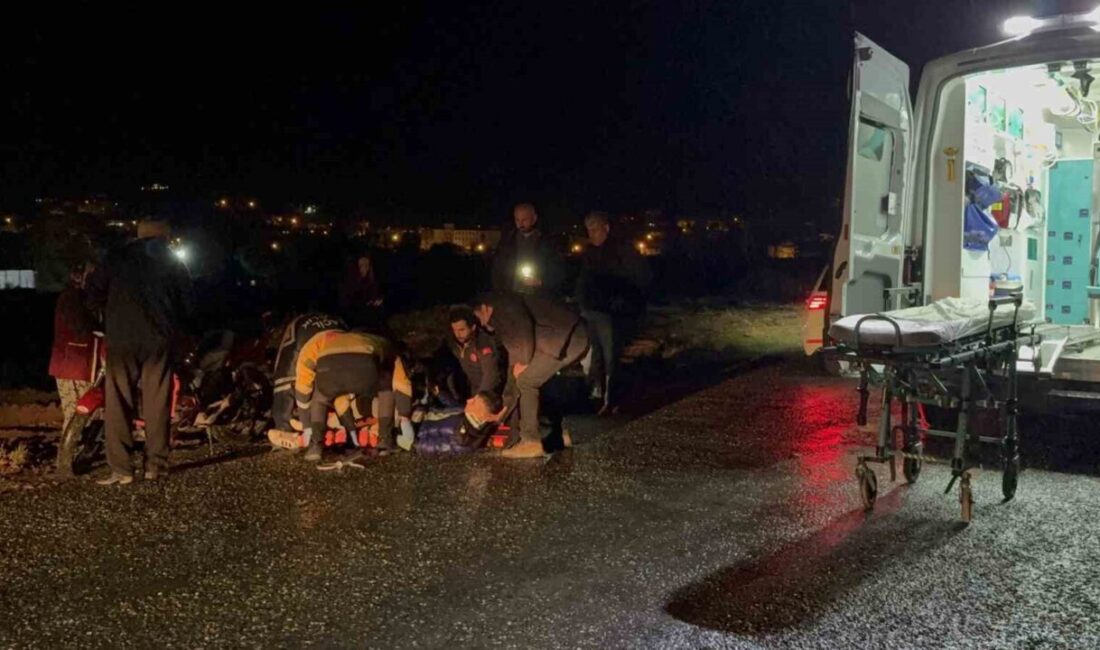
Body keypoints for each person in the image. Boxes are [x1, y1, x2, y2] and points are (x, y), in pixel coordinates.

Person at [86, 220, 193, 485]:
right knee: (158, 401)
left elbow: (93, 292)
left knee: (118, 400)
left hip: (121, 340)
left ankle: (121, 469)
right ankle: (155, 465)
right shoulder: (172, 261)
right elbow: (187, 303)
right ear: (165, 237)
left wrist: (106, 320)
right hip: (159, 340)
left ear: (139, 235)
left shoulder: (116, 257)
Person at [472, 292, 588, 459]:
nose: (481, 323)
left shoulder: (504, 306)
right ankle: (558, 436)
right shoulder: (500, 318)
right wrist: (503, 412)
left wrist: (525, 361)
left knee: (527, 382)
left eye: (478, 317)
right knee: (527, 380)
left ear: (484, 308)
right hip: (563, 339)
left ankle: (531, 442)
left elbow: (524, 329)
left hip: (568, 338)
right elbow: (513, 367)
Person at [275, 330, 413, 462]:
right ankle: (385, 441)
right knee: (386, 388)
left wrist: (307, 425)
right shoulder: (380, 343)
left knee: (320, 397)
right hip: (366, 371)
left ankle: (315, 445)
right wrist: (405, 418)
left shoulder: (314, 344)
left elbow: (303, 387)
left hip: (330, 372)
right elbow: (401, 382)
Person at [575, 211, 651, 415]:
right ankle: (598, 396)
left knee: (611, 357)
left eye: (595, 228)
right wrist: (581, 302)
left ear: (606, 228)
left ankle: (612, 399)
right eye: (589, 229)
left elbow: (640, 278)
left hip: (613, 313)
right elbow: (583, 280)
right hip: (593, 311)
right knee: (597, 356)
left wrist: (623, 302)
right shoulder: (590, 252)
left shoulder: (622, 250)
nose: (592, 233)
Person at [271, 312, 347, 432]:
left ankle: (294, 427)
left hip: (315, 354)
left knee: (292, 385)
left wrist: (283, 423)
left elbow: (284, 378)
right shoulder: (336, 318)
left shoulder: (295, 327)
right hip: (347, 356)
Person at [49, 262, 97, 435]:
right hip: (72, 364)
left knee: (82, 414)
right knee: (76, 414)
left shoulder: (75, 297)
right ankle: (70, 450)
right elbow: (80, 328)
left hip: (75, 363)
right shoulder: (73, 298)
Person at [490, 202, 563, 296]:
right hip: (511, 294)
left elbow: (558, 270)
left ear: (534, 219)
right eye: (517, 220)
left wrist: (541, 281)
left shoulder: (547, 242)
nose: (520, 224)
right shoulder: (507, 242)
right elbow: (497, 268)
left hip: (537, 296)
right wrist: (499, 291)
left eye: (524, 220)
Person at [437, 306, 505, 401]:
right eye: (454, 330)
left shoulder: (483, 343)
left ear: (473, 327)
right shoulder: (454, 344)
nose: (458, 334)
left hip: (489, 395)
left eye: (462, 330)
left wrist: (478, 399)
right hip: (472, 392)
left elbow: (490, 375)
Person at [416, 390, 506, 455]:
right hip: (425, 412)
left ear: (483, 415)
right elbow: (455, 406)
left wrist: (413, 442)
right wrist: (439, 393)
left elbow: (433, 447)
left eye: (474, 402)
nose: (468, 400)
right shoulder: (469, 414)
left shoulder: (461, 440)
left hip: (417, 427)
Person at [339, 254, 385, 332]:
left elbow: (375, 296)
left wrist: (377, 301)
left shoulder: (372, 282)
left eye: (366, 265)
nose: (364, 268)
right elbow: (347, 305)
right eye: (361, 265)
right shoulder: (349, 283)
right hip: (354, 320)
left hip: (370, 321)